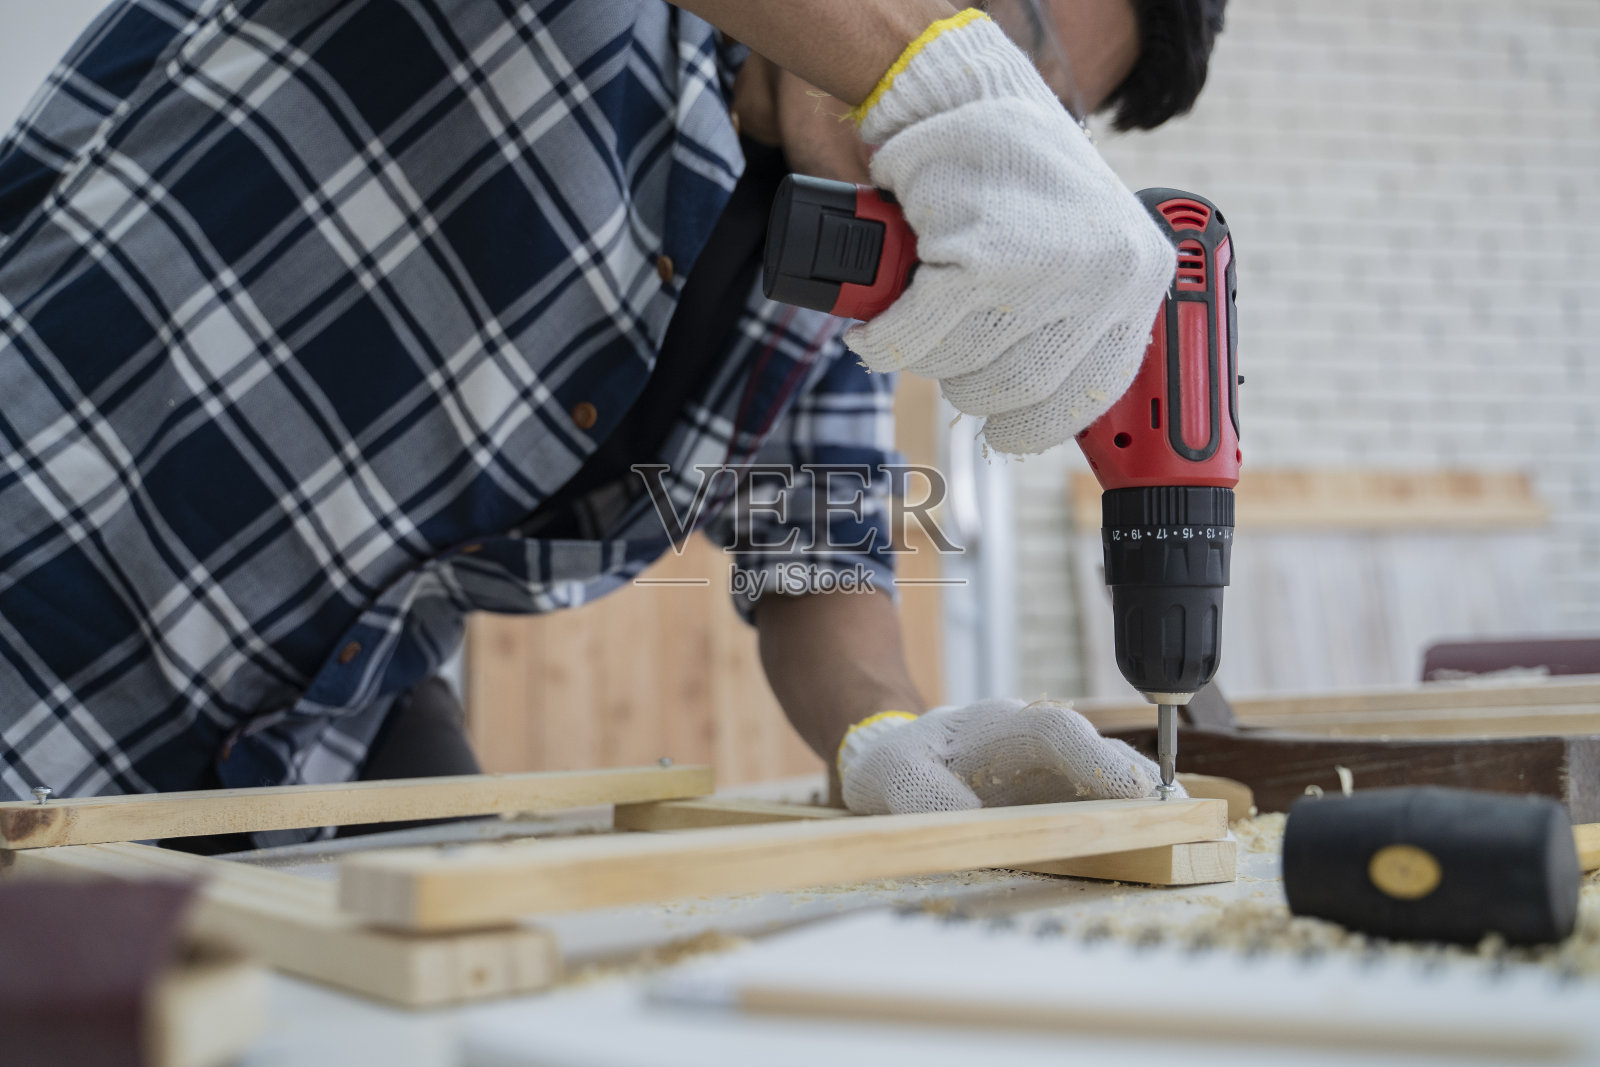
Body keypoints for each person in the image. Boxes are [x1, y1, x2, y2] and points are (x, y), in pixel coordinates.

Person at [0, 0, 1225, 844]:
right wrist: (928, 61)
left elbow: (820, 554)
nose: (1007, 105)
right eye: (1009, 35)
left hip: (288, 745)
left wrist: (888, 732)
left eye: (1048, 105)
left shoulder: (831, 252)